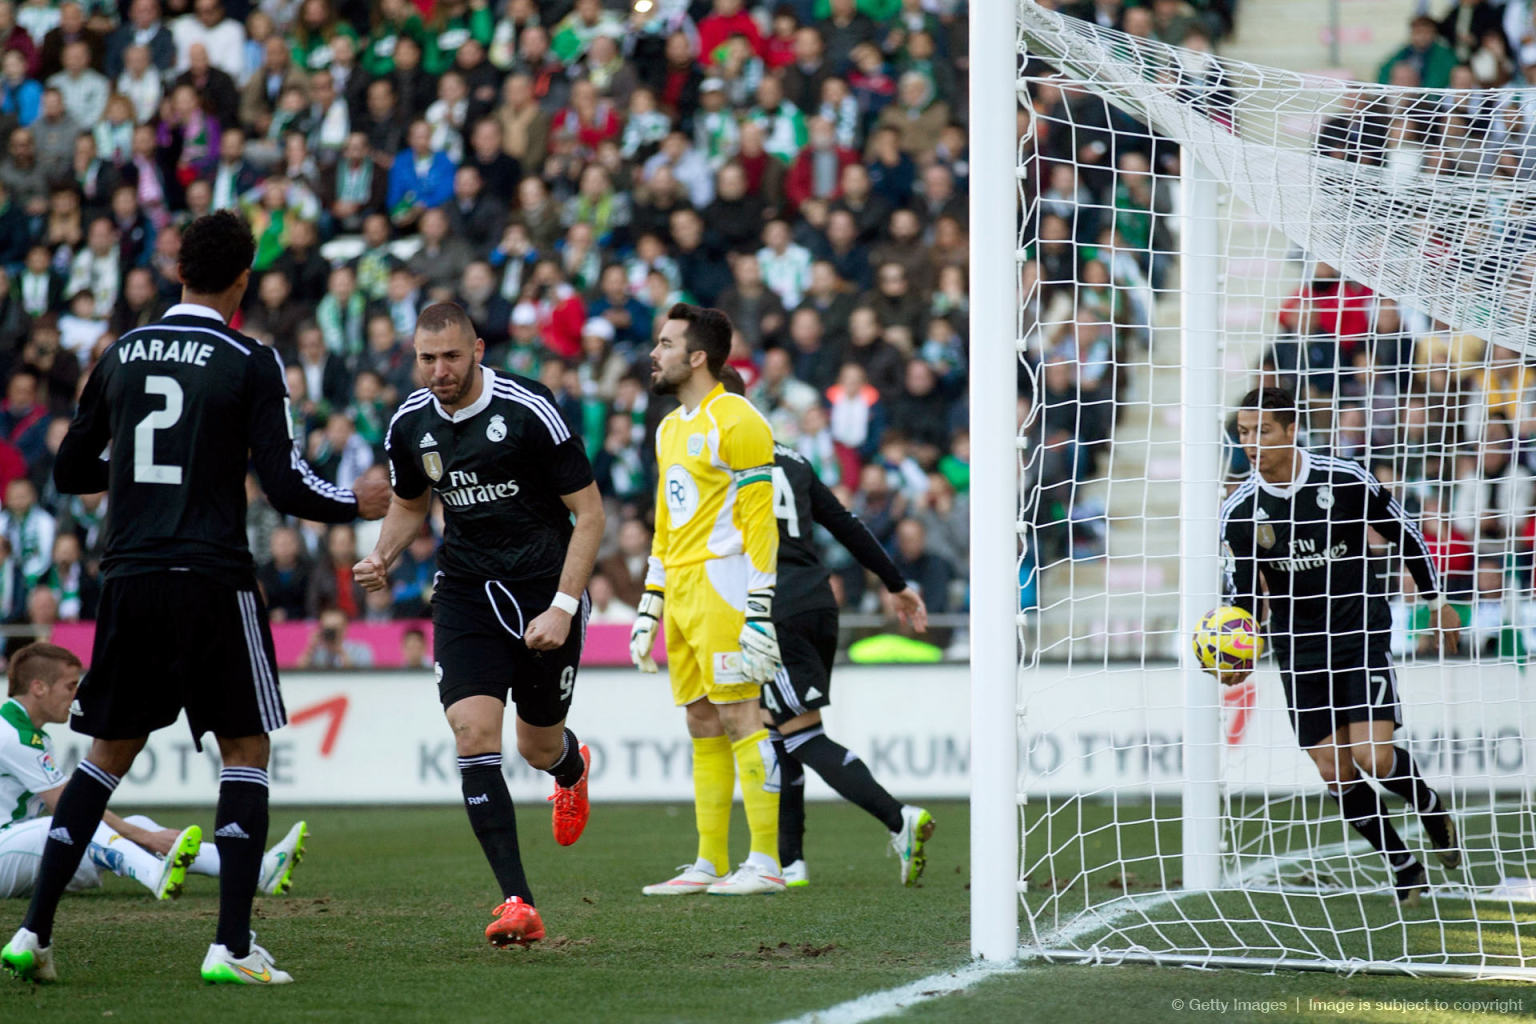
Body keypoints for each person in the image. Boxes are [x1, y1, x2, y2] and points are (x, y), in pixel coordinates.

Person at [1, 210, 391, 986]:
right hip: (211, 576)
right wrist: (358, 501)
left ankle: (33, 934)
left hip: (129, 575)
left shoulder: (120, 353)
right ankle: (233, 946)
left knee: (106, 759)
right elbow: (283, 484)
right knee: (245, 752)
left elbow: (74, 469)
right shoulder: (251, 359)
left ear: (178, 270)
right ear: (243, 281)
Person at [352, 301, 603, 948]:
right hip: (465, 590)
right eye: (426, 359)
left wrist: (563, 606)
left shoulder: (529, 408)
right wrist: (382, 553)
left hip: (545, 589)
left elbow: (591, 514)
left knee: (537, 747)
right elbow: (412, 504)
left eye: (451, 357)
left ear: (479, 350)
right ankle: (517, 900)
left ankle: (571, 772)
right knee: (472, 733)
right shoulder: (409, 423)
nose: (439, 371)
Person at [1219, 387, 1462, 906]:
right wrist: (1236, 655)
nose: (1251, 444)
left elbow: (1405, 534)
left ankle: (1429, 803)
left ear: (1291, 430)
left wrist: (1437, 598)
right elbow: (1242, 597)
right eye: (1243, 433)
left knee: (1372, 758)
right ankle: (1403, 864)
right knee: (1334, 771)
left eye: (1262, 431)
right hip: (1298, 646)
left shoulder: (1344, 479)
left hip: (1359, 633)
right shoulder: (1240, 511)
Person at [719, 367, 934, 887]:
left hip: (774, 606)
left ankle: (897, 817)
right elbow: (847, 524)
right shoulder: (792, 458)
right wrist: (894, 582)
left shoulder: (716, 460)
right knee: (778, 732)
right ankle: (789, 861)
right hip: (816, 601)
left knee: (800, 734)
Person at [629, 304, 784, 896]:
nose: (654, 353)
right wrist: (651, 601)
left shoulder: (738, 419)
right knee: (700, 719)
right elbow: (666, 527)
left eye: (665, 344)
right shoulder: (670, 427)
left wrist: (760, 606)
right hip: (683, 590)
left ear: (697, 356)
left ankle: (766, 861)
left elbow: (758, 522)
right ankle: (709, 862)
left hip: (725, 584)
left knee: (742, 714)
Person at [0, 642, 307, 902]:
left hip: (14, 851)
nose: (77, 695)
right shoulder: (12, 734)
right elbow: (66, 804)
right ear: (38, 687)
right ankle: (154, 874)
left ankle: (257, 871)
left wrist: (143, 833)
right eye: (70, 686)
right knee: (80, 821)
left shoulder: (29, 734)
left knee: (128, 824)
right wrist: (145, 838)